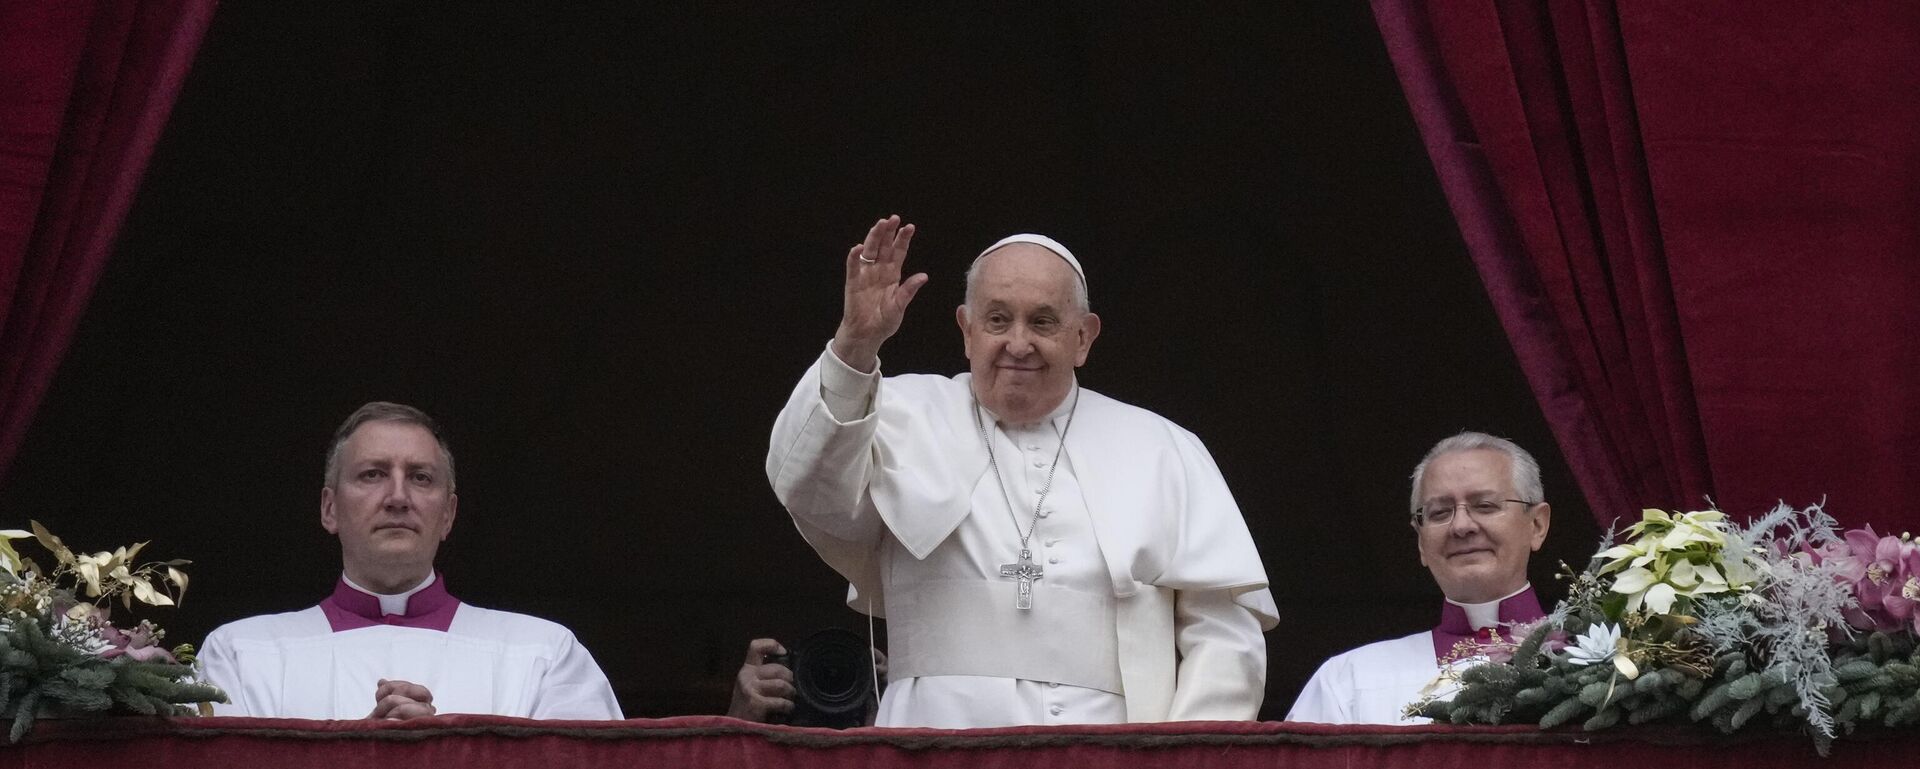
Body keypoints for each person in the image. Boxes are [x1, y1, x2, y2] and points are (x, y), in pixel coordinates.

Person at [766, 215, 1277, 728]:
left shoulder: (1164, 449)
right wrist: (855, 346)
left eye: (1043, 321)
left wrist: (1176, 761)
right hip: (932, 750)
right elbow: (807, 487)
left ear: (1084, 337)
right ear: (966, 330)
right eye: (997, 319)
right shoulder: (897, 415)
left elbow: (1224, 637)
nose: (1018, 343)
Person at [199, 402, 622, 720]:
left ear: (449, 514)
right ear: (330, 509)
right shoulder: (240, 654)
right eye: (373, 474)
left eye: (420, 477)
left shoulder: (545, 655)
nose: (398, 498)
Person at [1287, 431, 1553, 724]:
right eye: (1439, 512)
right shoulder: (1349, 680)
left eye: (1485, 506)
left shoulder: (1603, 665)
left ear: (1537, 525)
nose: (1461, 526)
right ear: (1421, 543)